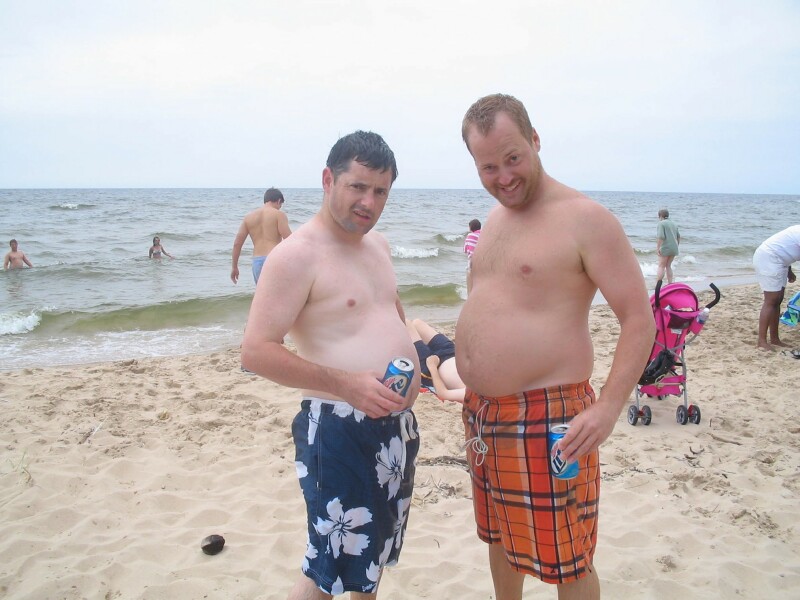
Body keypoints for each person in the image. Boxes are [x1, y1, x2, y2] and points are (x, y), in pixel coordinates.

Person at [457, 93, 655, 600]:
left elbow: (639, 319)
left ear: (536, 140)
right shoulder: (494, 220)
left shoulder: (585, 218)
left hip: (550, 418)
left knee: (568, 558)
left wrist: (608, 407)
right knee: (500, 539)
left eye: (513, 158)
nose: (504, 177)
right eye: (488, 167)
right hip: (484, 414)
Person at [241, 131, 420, 599]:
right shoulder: (296, 256)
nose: (369, 202)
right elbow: (255, 351)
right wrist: (345, 384)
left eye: (380, 191)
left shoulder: (378, 245)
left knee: (369, 563)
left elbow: (389, 313)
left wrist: (420, 359)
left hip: (395, 427)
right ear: (328, 179)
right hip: (339, 430)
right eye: (357, 186)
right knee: (329, 567)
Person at [231, 187, 292, 284]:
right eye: (280, 205)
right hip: (274, 258)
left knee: (262, 293)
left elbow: (237, 244)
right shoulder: (278, 215)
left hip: (257, 262)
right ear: (279, 201)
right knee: (280, 292)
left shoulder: (248, 217)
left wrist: (234, 267)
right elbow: (290, 240)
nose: (280, 208)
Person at [753, 225, 800, 351]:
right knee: (771, 300)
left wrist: (789, 270)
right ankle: (761, 341)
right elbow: (777, 248)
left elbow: (785, 248)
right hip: (768, 258)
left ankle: (775, 339)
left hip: (782, 262)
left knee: (778, 299)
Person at [406, 318, 465, 403]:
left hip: (432, 368)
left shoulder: (473, 394)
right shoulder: (484, 383)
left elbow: (443, 394)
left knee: (406, 323)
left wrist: (432, 367)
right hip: (451, 352)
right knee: (417, 323)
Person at [656, 208, 680, 283]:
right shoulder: (674, 223)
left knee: (661, 266)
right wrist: (677, 246)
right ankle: (670, 283)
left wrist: (658, 248)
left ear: (660, 216)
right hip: (674, 247)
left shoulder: (661, 223)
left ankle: (658, 284)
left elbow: (661, 237)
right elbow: (678, 236)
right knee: (668, 266)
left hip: (666, 247)